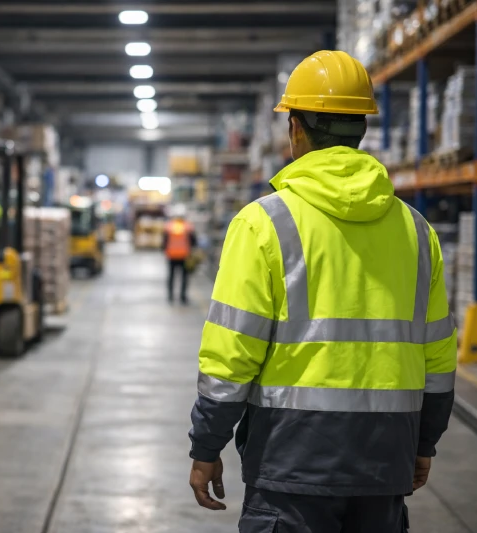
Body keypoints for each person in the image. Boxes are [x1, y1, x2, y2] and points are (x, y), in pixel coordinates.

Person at [188, 50, 457, 533]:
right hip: (385, 460)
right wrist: (424, 443)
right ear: (362, 129)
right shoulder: (417, 231)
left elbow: (232, 355)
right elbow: (438, 357)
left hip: (291, 464)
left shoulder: (263, 223)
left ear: (296, 128)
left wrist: (207, 446)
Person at [163, 205, 197, 304]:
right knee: (184, 277)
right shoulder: (188, 226)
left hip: (171, 255)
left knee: (171, 276)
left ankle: (170, 296)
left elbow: (164, 241)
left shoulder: (169, 226)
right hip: (184, 256)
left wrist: (165, 251)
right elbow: (193, 241)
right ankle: (183, 297)